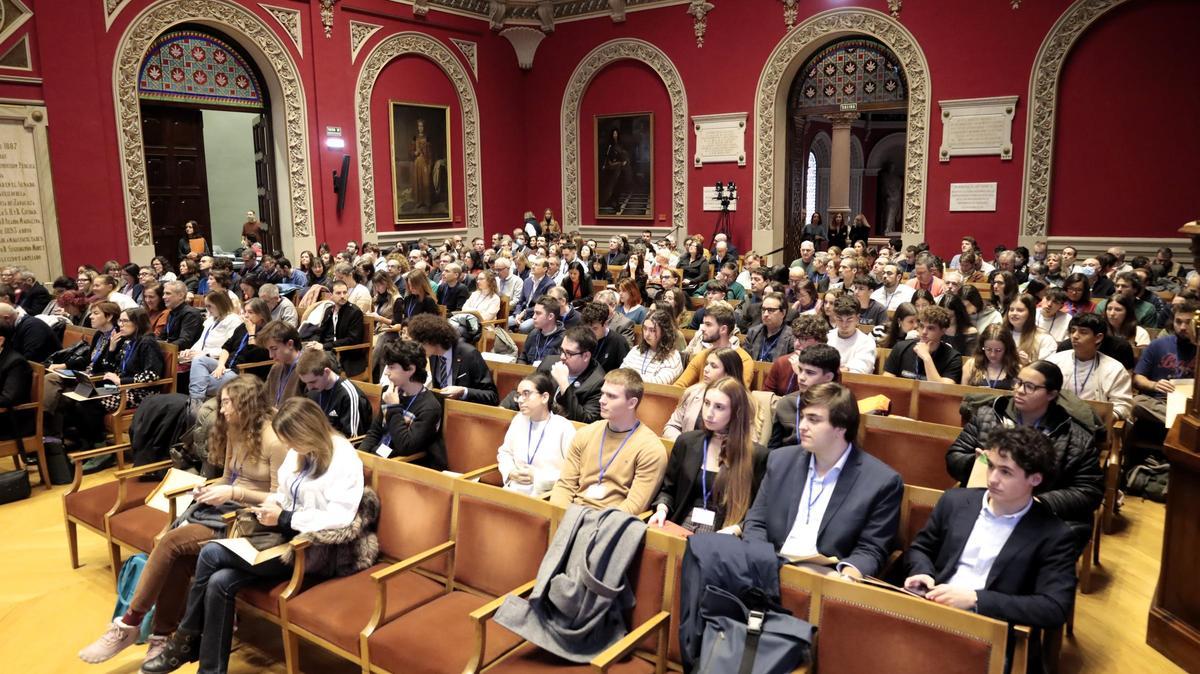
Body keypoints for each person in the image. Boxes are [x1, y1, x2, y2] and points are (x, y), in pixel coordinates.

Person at [140, 397, 363, 674]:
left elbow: (340, 519)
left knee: (210, 552)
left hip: (318, 549)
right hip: (283, 537)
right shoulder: (300, 451)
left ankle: (184, 642)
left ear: (308, 431)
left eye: (292, 441)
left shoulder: (343, 458)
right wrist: (273, 508)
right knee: (220, 581)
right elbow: (284, 493)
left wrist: (284, 517)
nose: (290, 448)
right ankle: (209, 670)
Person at [79, 375, 287, 666]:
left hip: (253, 524)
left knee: (172, 542)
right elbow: (228, 477)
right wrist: (211, 487)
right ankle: (161, 637)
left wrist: (232, 491)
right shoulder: (235, 428)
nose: (222, 410)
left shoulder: (274, 440)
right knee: (177, 557)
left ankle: (129, 623)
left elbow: (279, 500)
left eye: (227, 403)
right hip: (225, 511)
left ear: (246, 404)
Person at [904, 426, 1077, 633]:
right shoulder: (955, 501)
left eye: (1005, 472)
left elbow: (1054, 607)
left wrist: (976, 599)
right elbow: (920, 548)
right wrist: (923, 572)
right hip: (930, 609)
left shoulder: (1054, 534)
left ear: (1035, 479)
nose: (992, 479)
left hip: (988, 631)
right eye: (991, 466)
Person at [741, 383, 902, 578]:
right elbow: (756, 521)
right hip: (769, 566)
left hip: (826, 577)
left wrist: (847, 576)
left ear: (841, 427)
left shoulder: (882, 482)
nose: (802, 426)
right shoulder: (781, 460)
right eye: (803, 417)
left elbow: (871, 549)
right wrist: (762, 560)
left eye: (813, 420)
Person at [946, 361, 1103, 547]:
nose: (1019, 390)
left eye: (1030, 387)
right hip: (985, 503)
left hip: (1039, 516)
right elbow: (954, 456)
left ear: (1051, 394)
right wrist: (978, 463)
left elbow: (1088, 491)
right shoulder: (987, 416)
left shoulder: (1076, 438)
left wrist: (1036, 502)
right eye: (1018, 382)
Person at [649, 376, 768, 533]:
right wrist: (662, 509)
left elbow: (761, 511)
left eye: (719, 407)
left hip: (724, 534)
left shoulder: (757, 456)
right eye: (707, 403)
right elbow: (668, 490)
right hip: (681, 526)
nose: (709, 413)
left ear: (736, 412)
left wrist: (737, 529)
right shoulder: (687, 442)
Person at [548, 368, 668, 514]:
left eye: (611, 396)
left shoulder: (650, 449)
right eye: (603, 393)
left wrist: (592, 524)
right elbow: (565, 486)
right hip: (572, 514)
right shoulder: (585, 434)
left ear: (631, 403)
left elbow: (634, 506)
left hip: (611, 525)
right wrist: (561, 517)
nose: (601, 400)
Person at [63, 307, 165, 448]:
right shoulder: (129, 342)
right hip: (121, 388)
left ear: (137, 323)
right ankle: (85, 440)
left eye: (125, 321)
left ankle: (99, 446)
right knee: (79, 395)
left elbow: (152, 375)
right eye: (120, 321)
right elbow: (110, 370)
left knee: (90, 404)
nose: (120, 325)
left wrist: (121, 381)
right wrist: (111, 350)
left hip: (140, 392)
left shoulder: (147, 342)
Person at [360, 339, 447, 469]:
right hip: (380, 459)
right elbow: (375, 432)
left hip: (406, 467)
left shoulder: (430, 407)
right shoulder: (390, 392)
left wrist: (393, 408)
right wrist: (359, 457)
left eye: (391, 367)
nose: (386, 372)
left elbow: (406, 446)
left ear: (410, 369)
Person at [496, 372, 577, 496]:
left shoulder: (563, 427)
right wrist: (510, 471)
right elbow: (505, 452)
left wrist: (537, 477)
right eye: (518, 395)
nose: (520, 400)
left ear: (544, 397)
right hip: (514, 488)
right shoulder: (518, 420)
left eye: (526, 394)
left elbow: (572, 472)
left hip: (547, 493)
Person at [187, 298, 271, 410]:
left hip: (242, 372)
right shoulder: (242, 327)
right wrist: (221, 365)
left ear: (261, 314)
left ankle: (194, 404)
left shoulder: (268, 331)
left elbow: (256, 356)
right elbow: (227, 347)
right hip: (227, 365)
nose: (246, 316)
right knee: (199, 359)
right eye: (245, 312)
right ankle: (196, 401)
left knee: (200, 382)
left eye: (250, 312)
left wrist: (251, 333)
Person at [1046, 313, 1133, 420]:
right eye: (1073, 330)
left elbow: (1123, 404)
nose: (1075, 336)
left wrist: (1105, 418)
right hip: (1057, 419)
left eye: (1083, 332)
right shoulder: (1054, 361)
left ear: (1098, 338)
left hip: (1095, 424)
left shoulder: (1115, 368)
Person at [1131, 300, 1197, 435]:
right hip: (1159, 403)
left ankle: (1183, 425)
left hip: (1192, 405)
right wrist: (1154, 385)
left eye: (1188, 322)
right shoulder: (1158, 344)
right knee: (1135, 402)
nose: (1183, 327)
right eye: (1178, 322)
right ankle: (1185, 426)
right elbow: (1138, 378)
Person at [406, 313, 497, 404]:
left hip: (464, 411)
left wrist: (463, 391)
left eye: (419, 344)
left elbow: (492, 396)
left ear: (431, 340)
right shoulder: (433, 355)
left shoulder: (469, 354)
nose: (417, 348)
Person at [665, 347, 749, 441]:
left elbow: (748, 441)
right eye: (706, 364)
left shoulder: (745, 403)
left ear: (728, 373)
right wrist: (686, 445)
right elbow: (672, 426)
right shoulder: (692, 392)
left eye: (713, 366)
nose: (705, 369)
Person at [767, 344, 842, 450]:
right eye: (800, 370)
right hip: (789, 461)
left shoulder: (841, 406)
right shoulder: (786, 403)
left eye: (810, 373)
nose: (801, 377)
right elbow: (773, 448)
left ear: (828, 377)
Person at [675, 302, 754, 388]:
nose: (702, 329)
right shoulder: (703, 355)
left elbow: (739, 394)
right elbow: (679, 385)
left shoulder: (743, 359)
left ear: (723, 329)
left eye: (708, 324)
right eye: (703, 323)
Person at [297, 349, 372, 437]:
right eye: (306, 383)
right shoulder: (313, 391)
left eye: (312, 382)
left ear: (326, 372)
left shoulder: (348, 395)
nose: (309, 387)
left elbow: (353, 438)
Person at [882, 305, 963, 383]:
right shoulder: (900, 348)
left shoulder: (953, 358)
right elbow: (886, 383)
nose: (924, 332)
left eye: (930, 328)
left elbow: (943, 390)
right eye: (921, 326)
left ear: (943, 330)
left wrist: (926, 357)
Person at [762, 314, 830, 396]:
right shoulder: (782, 362)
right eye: (796, 338)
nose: (797, 344)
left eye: (803, 339)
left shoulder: (830, 367)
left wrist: (800, 373)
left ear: (819, 341)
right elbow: (765, 395)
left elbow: (825, 401)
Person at [314, 280, 366, 377]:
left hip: (345, 355)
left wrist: (325, 346)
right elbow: (321, 331)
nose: (342, 296)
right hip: (328, 349)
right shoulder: (329, 310)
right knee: (302, 353)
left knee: (315, 364)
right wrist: (315, 343)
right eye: (338, 293)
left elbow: (352, 340)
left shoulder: (354, 312)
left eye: (345, 292)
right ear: (331, 295)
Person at [620, 309, 684, 384]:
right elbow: (621, 374)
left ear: (664, 332)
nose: (646, 334)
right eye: (645, 328)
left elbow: (659, 383)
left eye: (652, 330)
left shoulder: (673, 357)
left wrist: (630, 377)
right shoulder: (636, 350)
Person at [180, 291, 242, 365]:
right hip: (201, 358)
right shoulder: (211, 320)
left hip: (219, 361)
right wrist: (190, 351)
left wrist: (205, 354)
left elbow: (229, 349)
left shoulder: (234, 321)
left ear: (220, 305)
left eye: (209, 306)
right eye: (206, 306)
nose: (207, 309)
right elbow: (201, 341)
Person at [826, 294, 875, 374]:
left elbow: (861, 368)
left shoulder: (867, 342)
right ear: (834, 317)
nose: (844, 325)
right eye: (839, 319)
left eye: (849, 320)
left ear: (858, 318)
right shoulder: (827, 337)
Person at [961, 324, 1019, 390]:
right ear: (982, 347)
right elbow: (962, 394)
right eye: (988, 349)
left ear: (1007, 349)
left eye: (998, 350)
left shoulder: (1015, 368)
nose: (993, 355)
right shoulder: (971, 365)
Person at [1007, 293, 1058, 364]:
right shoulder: (1001, 332)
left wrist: (1028, 364)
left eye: (1020, 310)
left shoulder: (1045, 339)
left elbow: (1047, 370)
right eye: (1011, 310)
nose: (1014, 313)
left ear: (1030, 313)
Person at [581, 301, 629, 373]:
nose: (590, 333)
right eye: (588, 329)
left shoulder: (618, 341)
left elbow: (624, 372)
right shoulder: (582, 338)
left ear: (605, 323)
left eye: (595, 328)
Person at [745, 293, 794, 363]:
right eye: (763, 309)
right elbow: (745, 361)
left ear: (783, 313)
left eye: (770, 310)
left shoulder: (792, 337)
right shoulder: (753, 332)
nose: (765, 314)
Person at [518, 296, 566, 366]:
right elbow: (523, 358)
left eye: (538, 313)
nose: (533, 317)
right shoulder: (533, 334)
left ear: (550, 316)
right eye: (534, 313)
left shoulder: (564, 339)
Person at [160, 280, 203, 348]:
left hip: (183, 354)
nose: (163, 297)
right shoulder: (172, 312)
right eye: (164, 293)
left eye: (168, 293)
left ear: (180, 295)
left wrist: (165, 347)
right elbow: (162, 336)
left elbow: (184, 341)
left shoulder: (191, 314)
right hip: (171, 350)